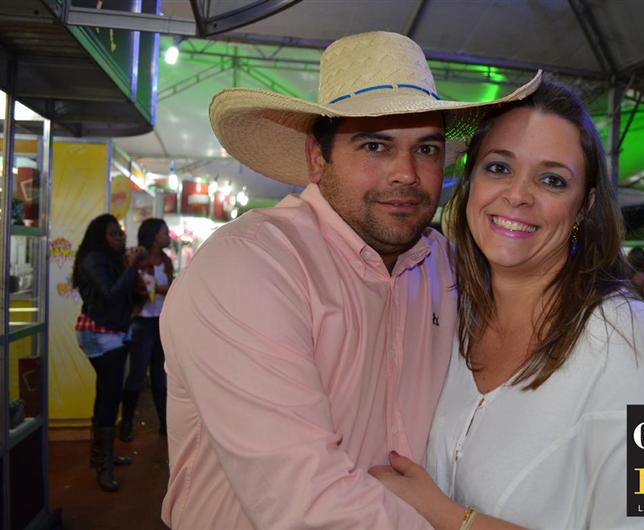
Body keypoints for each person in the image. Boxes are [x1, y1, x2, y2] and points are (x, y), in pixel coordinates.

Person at [159, 31, 542, 529]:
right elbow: (306, 503)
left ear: (589, 204)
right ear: (317, 159)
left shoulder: (603, 323)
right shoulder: (251, 264)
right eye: (375, 145)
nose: (407, 173)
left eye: (427, 149)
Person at [368, 82, 644, 529]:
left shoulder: (628, 333)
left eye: (552, 180)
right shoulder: (450, 313)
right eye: (499, 167)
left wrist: (447, 516)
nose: (518, 194)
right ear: (470, 182)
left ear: (584, 206)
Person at [72, 214, 146, 492]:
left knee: (106, 393)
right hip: (100, 333)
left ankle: (101, 458)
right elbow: (111, 294)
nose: (119, 238)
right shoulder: (93, 259)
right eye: (113, 233)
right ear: (99, 236)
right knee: (110, 394)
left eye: (120, 233)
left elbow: (128, 295)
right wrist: (132, 265)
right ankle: (104, 467)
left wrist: (130, 266)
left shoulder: (110, 260)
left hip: (113, 331)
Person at [119, 218, 173, 442]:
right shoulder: (136, 259)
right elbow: (127, 287)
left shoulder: (166, 261)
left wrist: (161, 289)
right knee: (137, 374)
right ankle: (126, 423)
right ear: (154, 236)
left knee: (160, 375)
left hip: (161, 321)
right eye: (164, 232)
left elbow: (170, 288)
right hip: (141, 322)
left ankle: (165, 425)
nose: (168, 236)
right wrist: (149, 290)